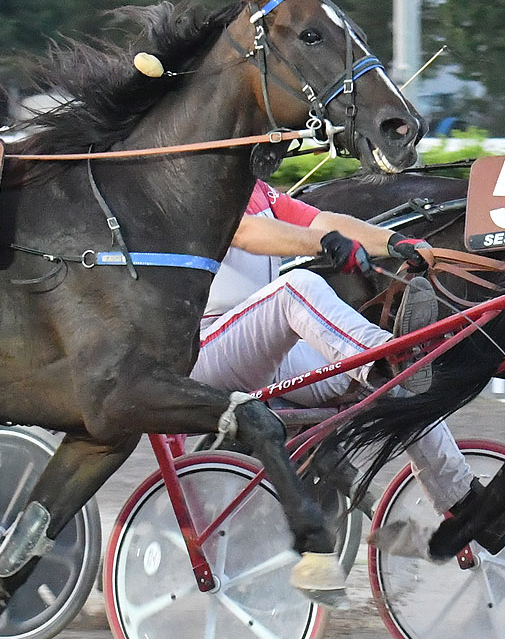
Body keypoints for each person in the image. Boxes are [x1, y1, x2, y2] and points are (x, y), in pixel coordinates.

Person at [191, 179, 480, 525]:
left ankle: (465, 501)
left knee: (400, 384)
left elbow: (322, 221)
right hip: (203, 352)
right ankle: (382, 355)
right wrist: (324, 244)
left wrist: (393, 242)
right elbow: (245, 233)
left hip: (259, 350)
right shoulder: (200, 184)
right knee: (298, 288)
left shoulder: (257, 190)